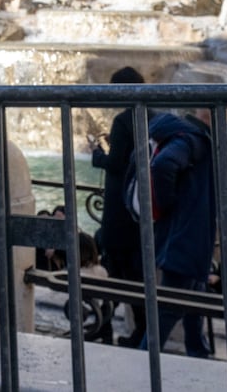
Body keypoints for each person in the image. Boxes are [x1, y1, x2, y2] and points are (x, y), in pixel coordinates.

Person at [143, 108, 216, 359]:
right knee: (170, 308)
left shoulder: (188, 135)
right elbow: (163, 165)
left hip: (187, 236)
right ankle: (144, 362)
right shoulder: (193, 139)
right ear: (206, 112)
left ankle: (198, 351)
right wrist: (168, 203)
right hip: (185, 238)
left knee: (195, 296)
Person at [89, 66, 145, 347]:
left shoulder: (124, 120)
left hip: (117, 209)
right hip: (135, 208)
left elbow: (116, 164)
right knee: (131, 272)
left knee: (116, 270)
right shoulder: (147, 114)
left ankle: (108, 325)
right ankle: (131, 329)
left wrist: (98, 155)